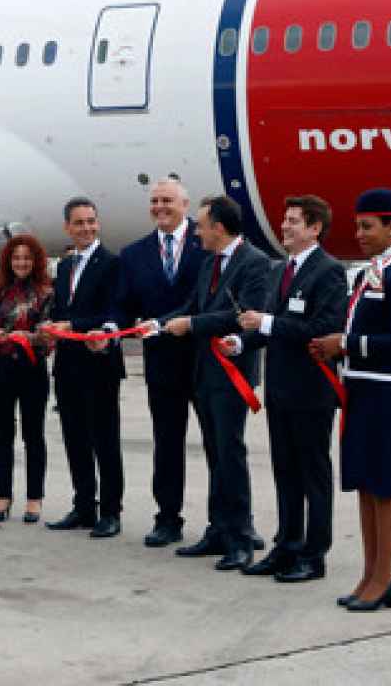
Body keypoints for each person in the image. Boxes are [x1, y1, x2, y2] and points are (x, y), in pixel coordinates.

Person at [312, 188, 391, 612]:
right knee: (363, 485)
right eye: (357, 225)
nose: (359, 234)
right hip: (358, 389)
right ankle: (369, 573)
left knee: (385, 487)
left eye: (367, 226)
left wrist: (347, 343)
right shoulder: (365, 275)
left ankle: (384, 575)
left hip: (386, 391)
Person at [153, 195, 272, 571]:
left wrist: (191, 326)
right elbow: (194, 307)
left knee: (230, 455)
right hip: (205, 374)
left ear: (218, 228)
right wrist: (156, 324)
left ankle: (239, 538)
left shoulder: (255, 264)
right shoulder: (210, 263)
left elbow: (241, 317)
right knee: (215, 455)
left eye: (201, 225)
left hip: (232, 375)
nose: (197, 232)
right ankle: (218, 528)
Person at [238, 194, 348, 583]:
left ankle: (314, 554)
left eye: (294, 221)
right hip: (281, 390)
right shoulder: (279, 270)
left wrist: (264, 323)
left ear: (315, 228)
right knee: (285, 471)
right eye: (285, 220)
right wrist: (240, 342)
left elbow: (322, 329)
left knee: (313, 473)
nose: (285, 227)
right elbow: (271, 328)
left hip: (312, 392)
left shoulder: (329, 271)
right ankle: (286, 545)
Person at [116, 177, 207, 548]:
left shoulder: (209, 245)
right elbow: (124, 306)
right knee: (167, 444)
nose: (160, 207)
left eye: (167, 200)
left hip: (206, 361)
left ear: (185, 205)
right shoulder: (134, 253)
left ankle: (231, 520)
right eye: (154, 201)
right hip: (161, 364)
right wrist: (119, 326)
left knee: (221, 445)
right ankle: (167, 518)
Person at [42, 196, 126, 539]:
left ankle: (110, 511)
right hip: (67, 365)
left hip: (100, 363)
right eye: (79, 223)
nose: (87, 228)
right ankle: (84, 506)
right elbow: (61, 311)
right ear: (67, 227)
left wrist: (72, 327)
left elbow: (114, 313)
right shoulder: (63, 267)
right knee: (74, 439)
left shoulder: (112, 264)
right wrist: (49, 329)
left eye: (91, 221)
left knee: (104, 440)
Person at [0, 233, 56, 523]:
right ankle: (3, 496)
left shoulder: (47, 292)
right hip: (1, 369)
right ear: (8, 261)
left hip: (33, 368)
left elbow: (50, 335)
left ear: (35, 260)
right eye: (16, 258)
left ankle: (34, 499)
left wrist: (31, 336)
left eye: (26, 258)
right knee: (2, 434)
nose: (21, 263)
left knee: (33, 435)